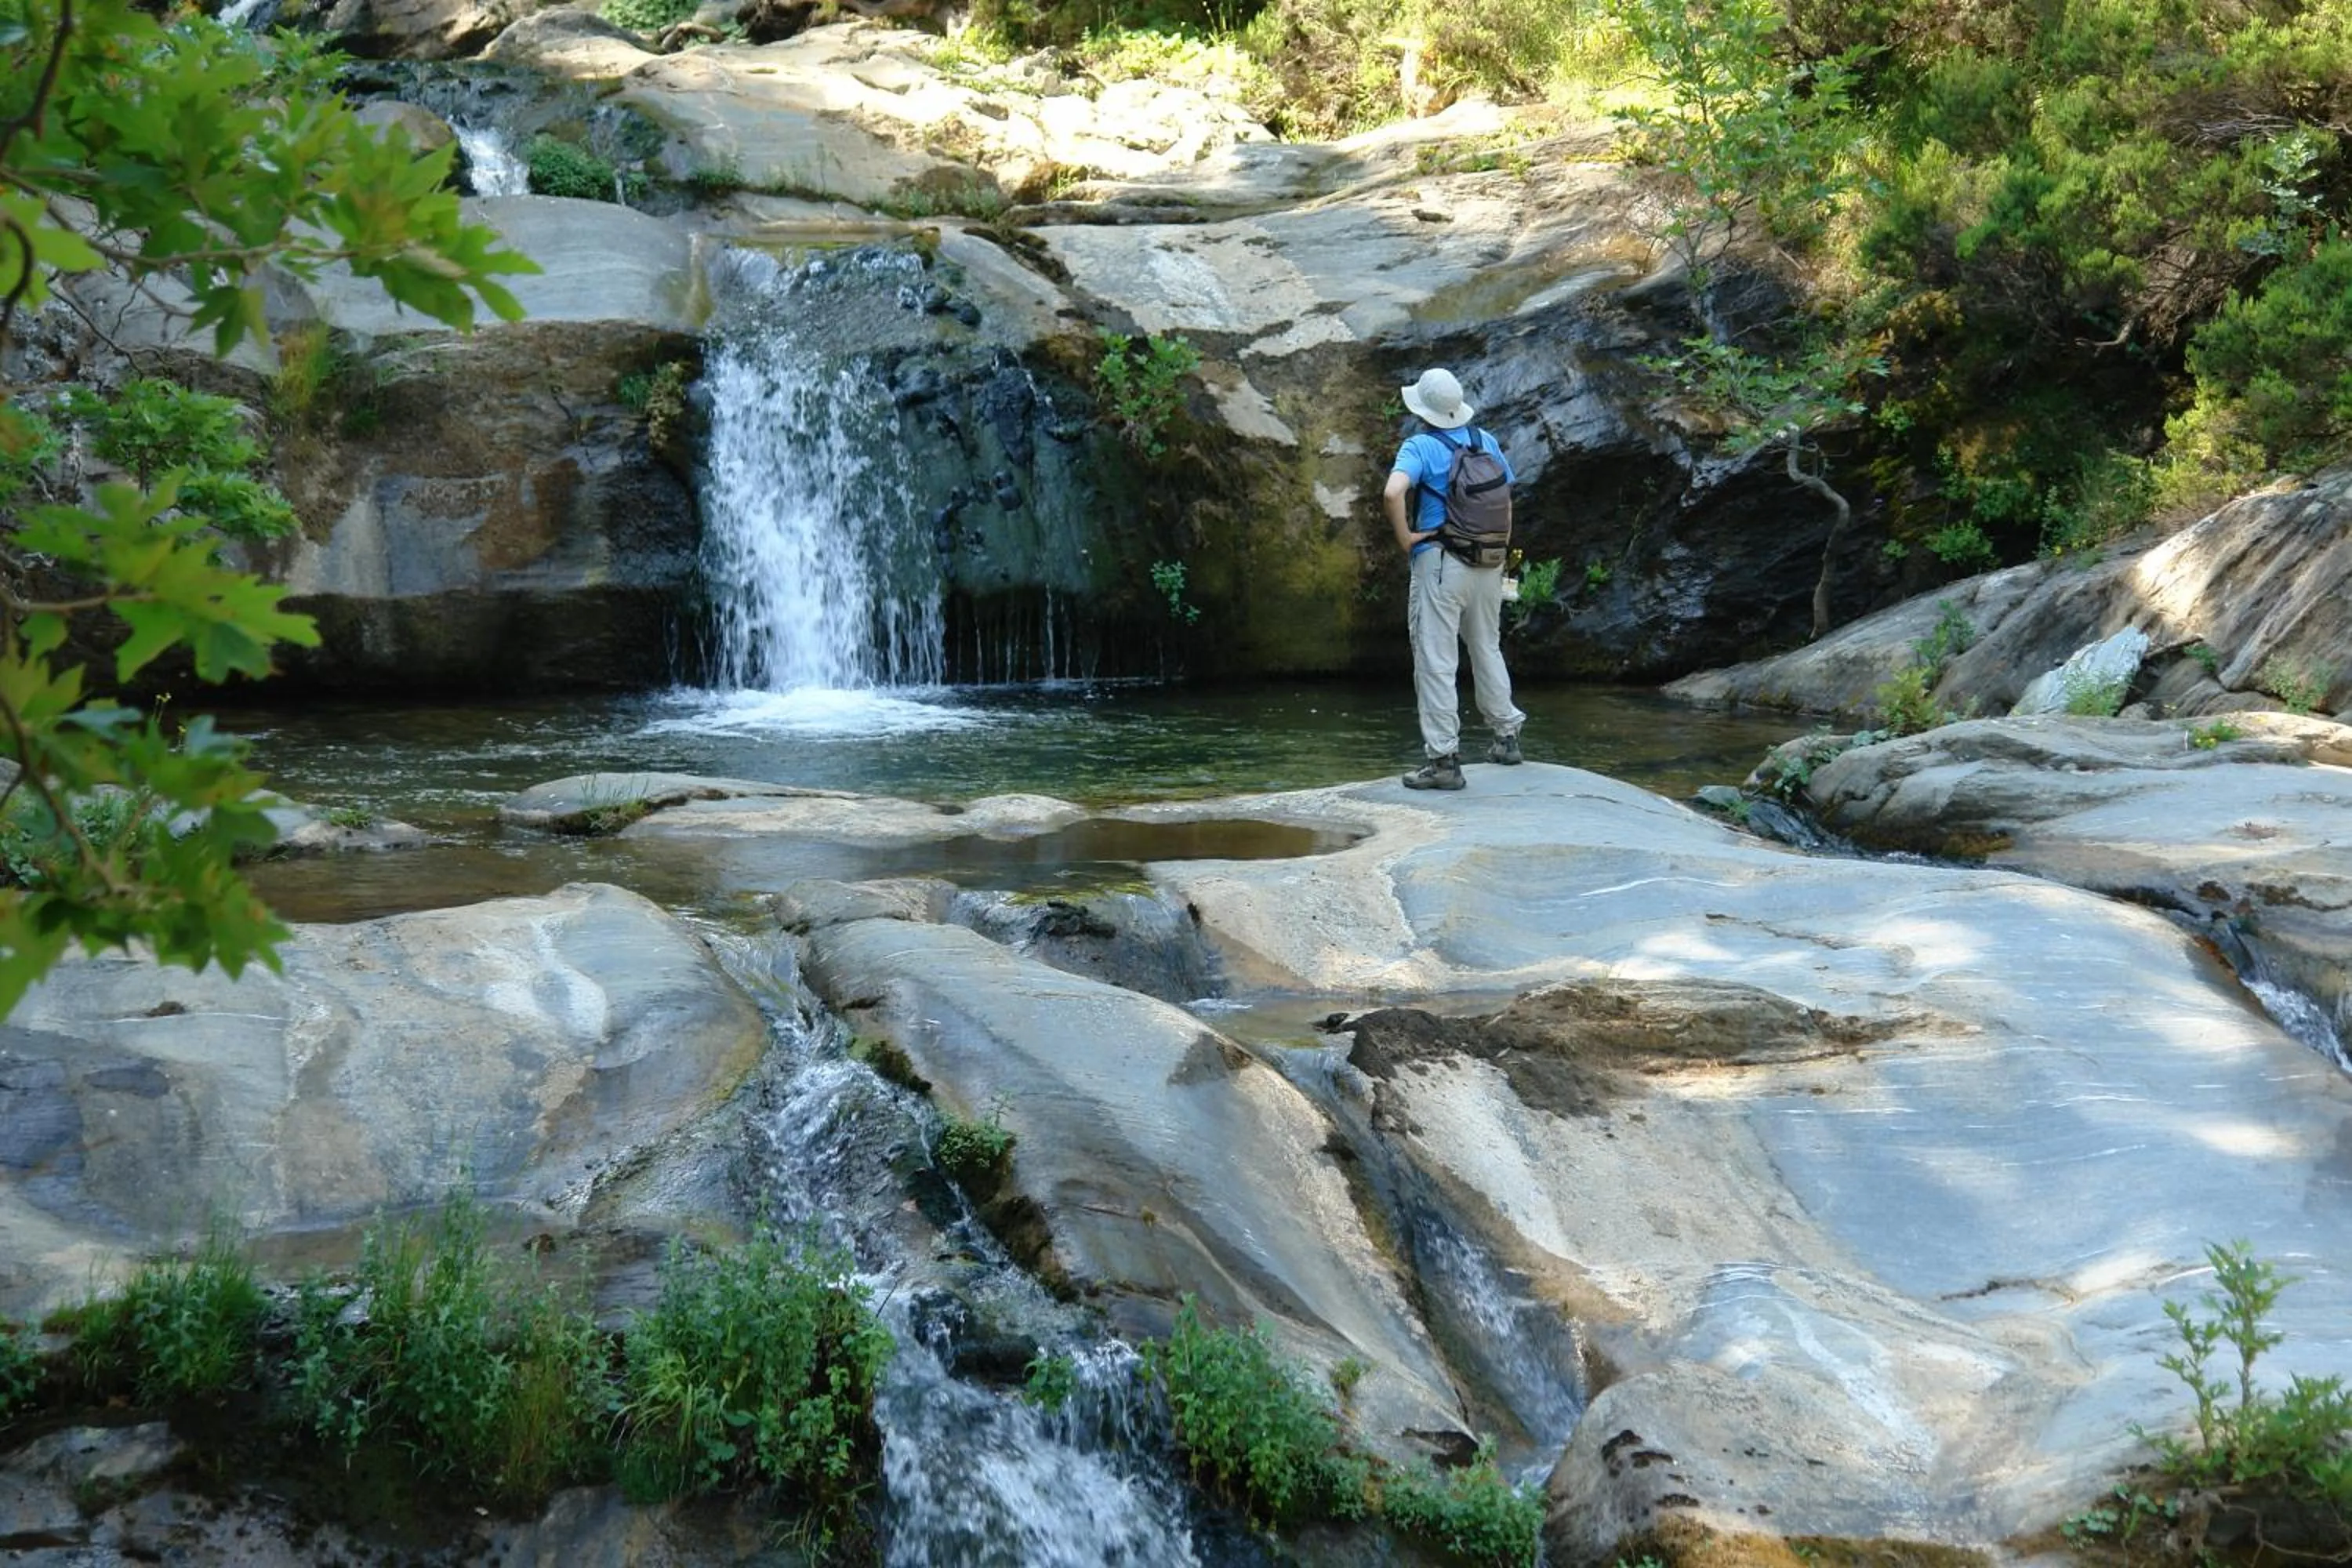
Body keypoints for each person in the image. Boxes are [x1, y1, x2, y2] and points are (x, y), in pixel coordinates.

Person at [1383, 367, 1525, 791]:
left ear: (1423, 410)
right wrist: (1499, 551)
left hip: (1442, 563)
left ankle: (1444, 761)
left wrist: (1406, 538)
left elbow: (1393, 492)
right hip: (1489, 562)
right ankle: (1506, 737)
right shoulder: (1485, 441)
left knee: (1436, 659)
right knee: (1486, 646)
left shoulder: (1420, 446)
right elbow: (1507, 498)